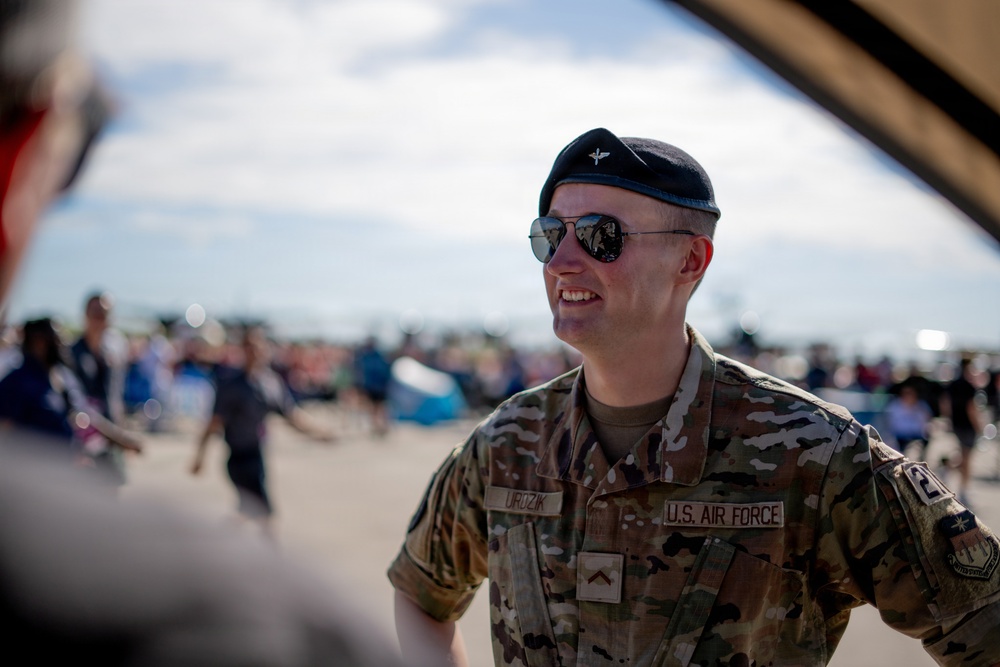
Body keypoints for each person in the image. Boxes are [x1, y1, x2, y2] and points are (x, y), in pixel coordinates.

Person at [389, 127, 1000, 666]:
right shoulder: (506, 442)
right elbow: (421, 593)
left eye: (602, 235)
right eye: (551, 235)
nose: (564, 261)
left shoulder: (814, 454)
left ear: (692, 259)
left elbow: (982, 623)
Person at [0, 3, 408, 663]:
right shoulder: (250, 622)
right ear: (24, 157)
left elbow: (84, 407)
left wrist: (118, 437)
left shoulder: (119, 363)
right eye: (75, 156)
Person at [191, 326, 335, 538]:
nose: (255, 351)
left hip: (257, 455)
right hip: (238, 457)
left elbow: (291, 415)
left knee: (250, 511)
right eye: (249, 346)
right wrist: (200, 456)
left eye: (258, 346)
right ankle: (269, 559)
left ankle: (218, 539)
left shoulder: (270, 383)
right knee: (264, 514)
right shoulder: (231, 385)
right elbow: (214, 423)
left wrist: (318, 433)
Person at [70, 291, 132, 485]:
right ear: (85, 315)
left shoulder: (114, 352)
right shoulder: (72, 353)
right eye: (95, 312)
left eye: (104, 313)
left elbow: (116, 396)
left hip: (112, 436)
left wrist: (121, 430)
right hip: (84, 440)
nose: (99, 318)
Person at [941, 358, 986, 505]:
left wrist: (948, 419)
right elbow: (971, 409)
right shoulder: (969, 387)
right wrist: (979, 426)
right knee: (967, 458)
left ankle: (947, 467)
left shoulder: (952, 385)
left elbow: (945, 403)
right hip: (967, 426)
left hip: (956, 424)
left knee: (963, 455)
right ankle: (963, 489)